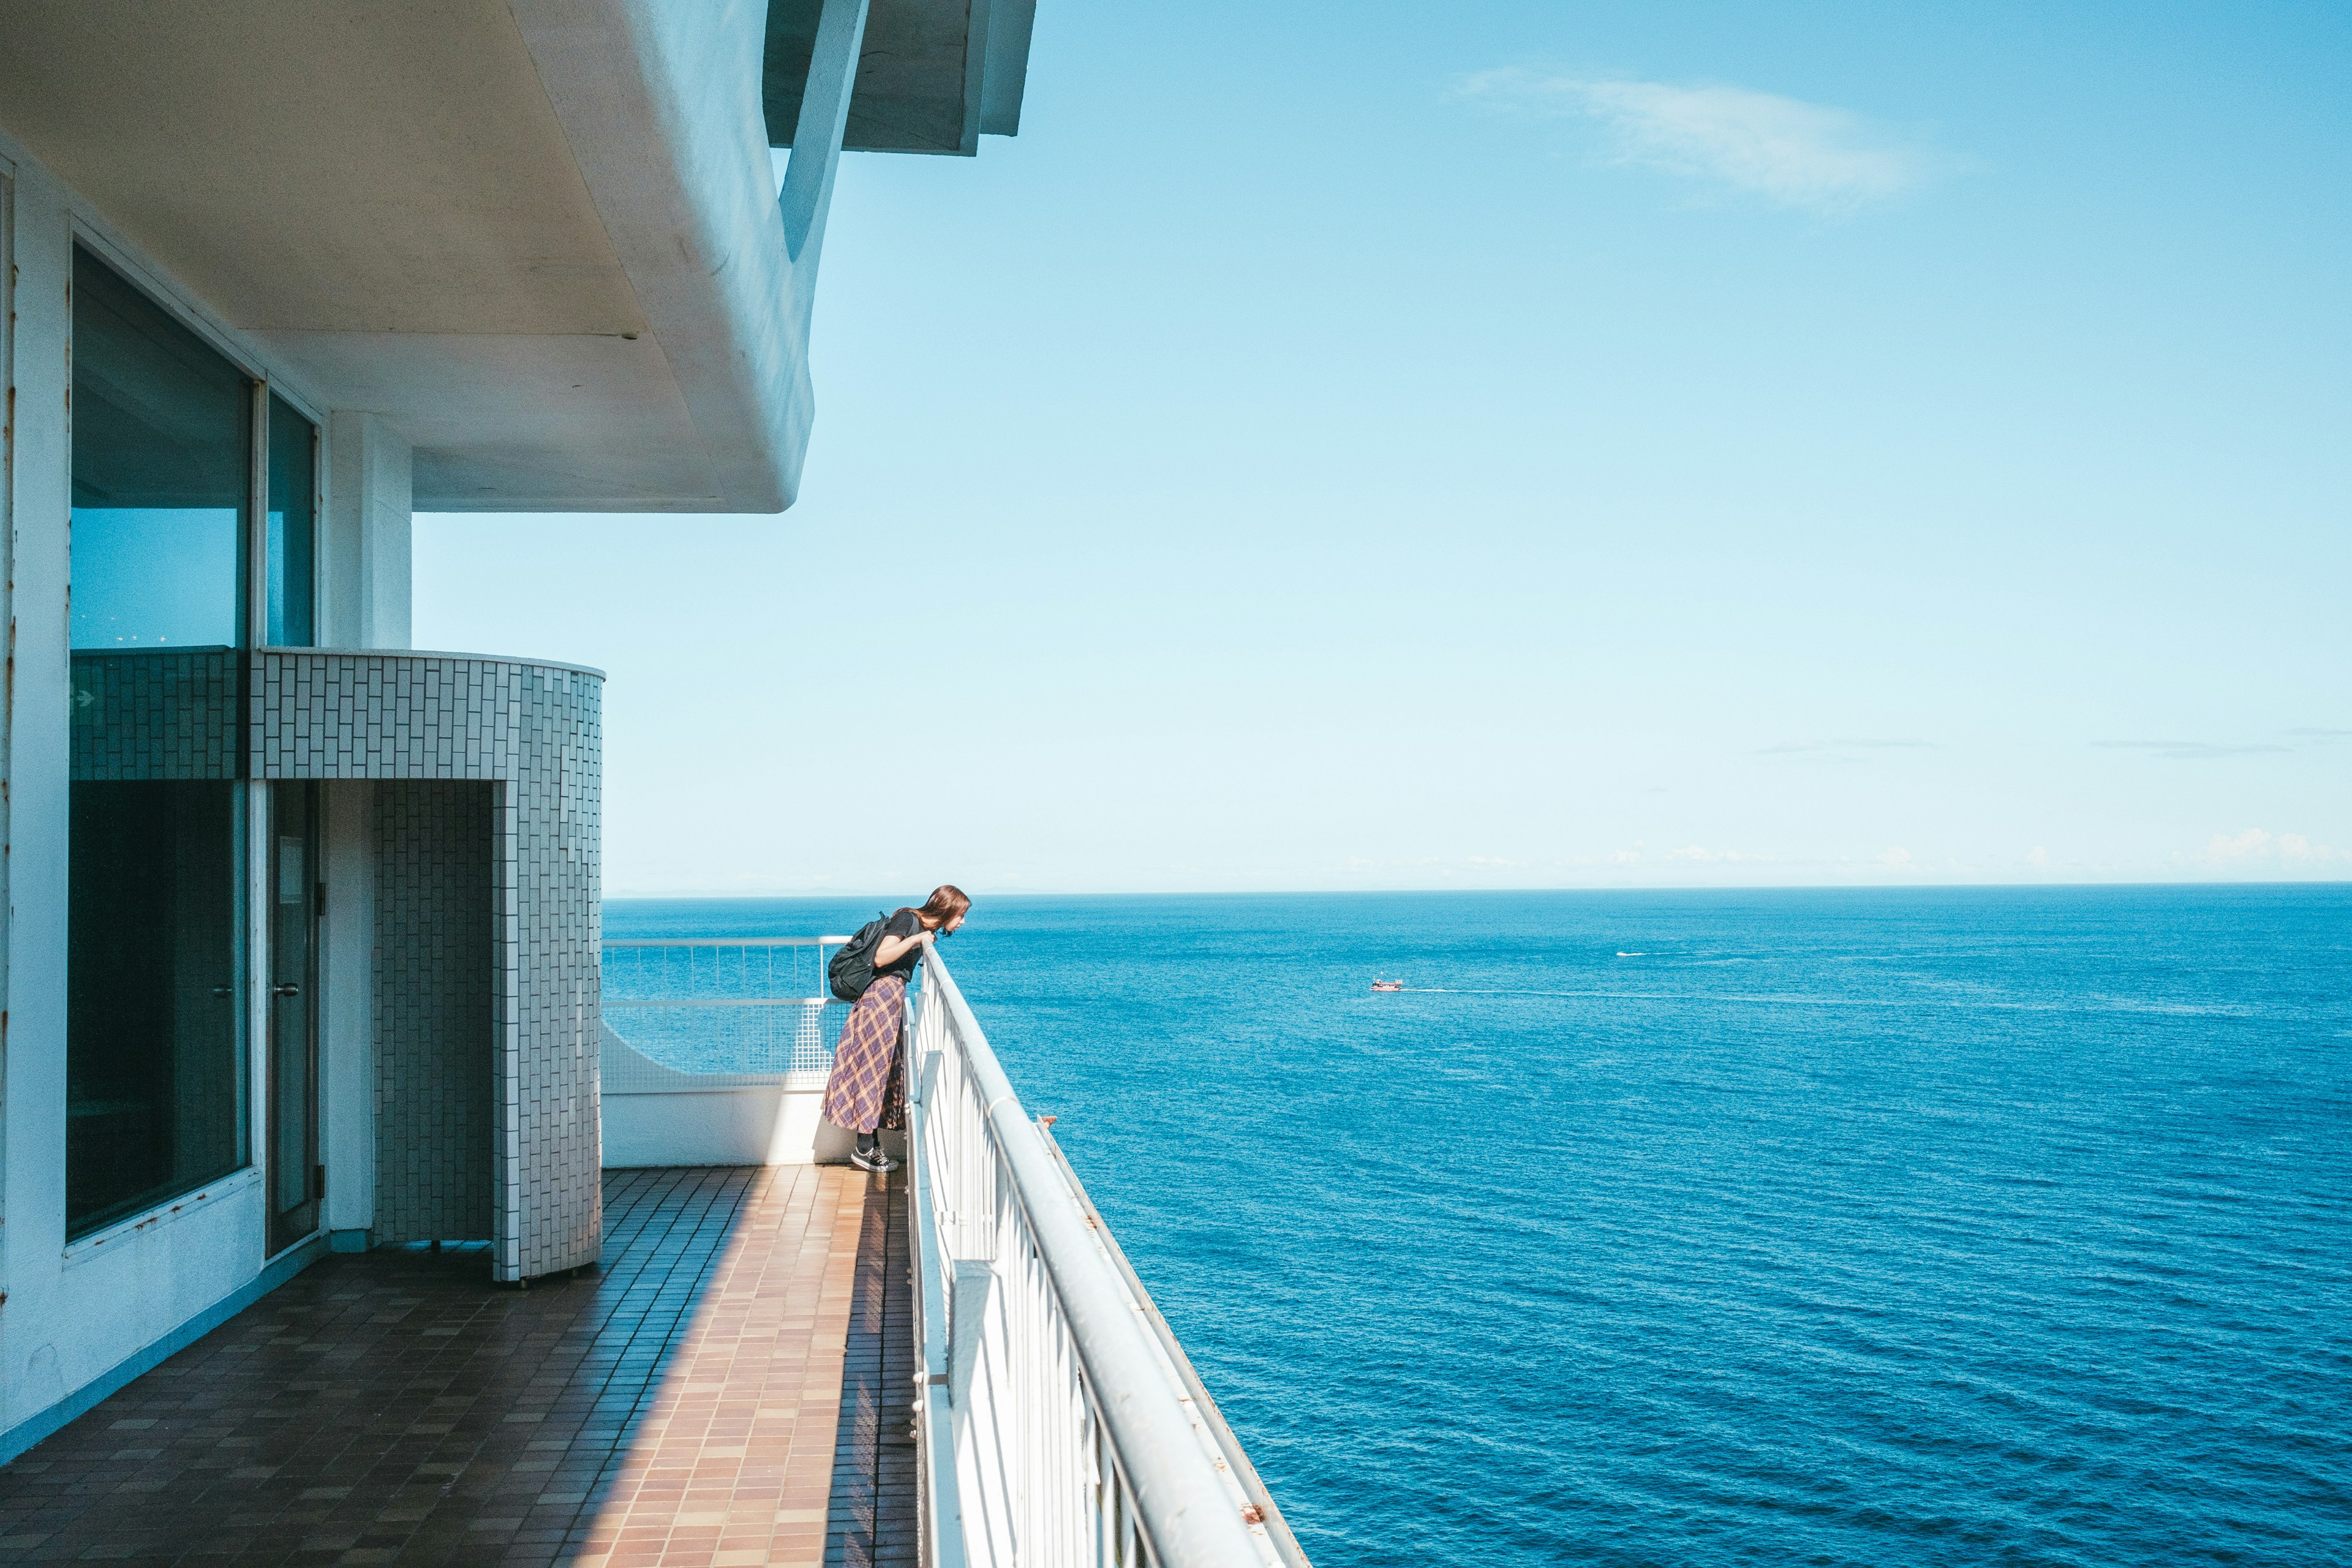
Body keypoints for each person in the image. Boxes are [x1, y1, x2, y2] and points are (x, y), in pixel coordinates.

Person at [822, 885, 970, 1172]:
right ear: (948, 908)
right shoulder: (908, 920)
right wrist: (917, 939)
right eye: (962, 914)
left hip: (889, 999)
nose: (963, 922)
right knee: (872, 1070)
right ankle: (864, 1149)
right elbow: (881, 957)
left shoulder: (917, 926)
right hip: (880, 999)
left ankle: (870, 1145)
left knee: (881, 1071)